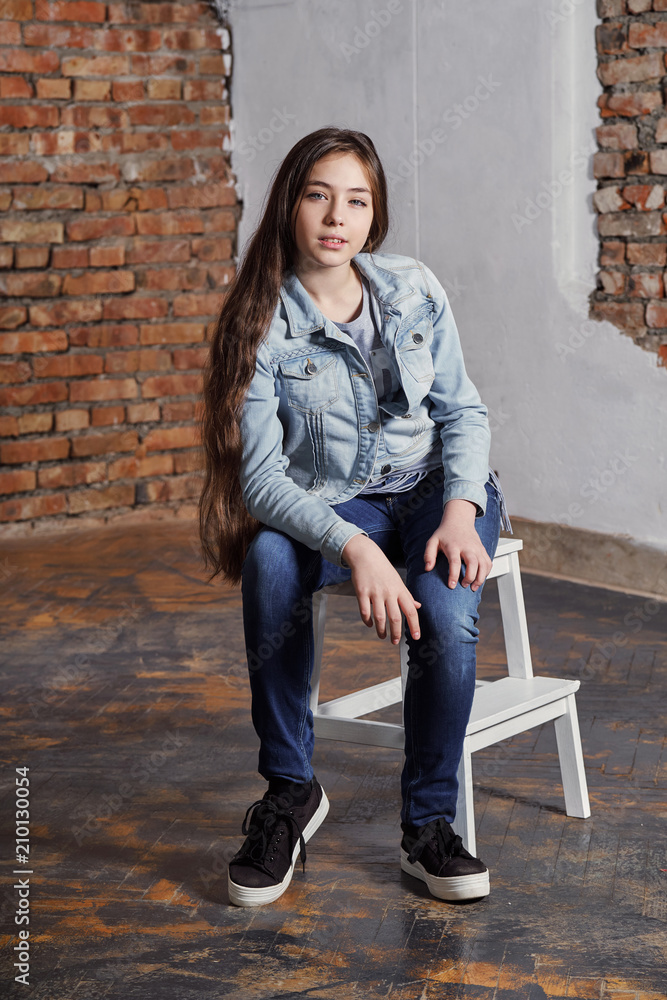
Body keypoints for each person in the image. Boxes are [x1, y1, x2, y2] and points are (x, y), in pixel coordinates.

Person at [198, 126, 511, 909]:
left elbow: (462, 410)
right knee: (269, 561)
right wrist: (355, 549)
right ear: (289, 206)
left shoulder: (411, 287)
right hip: (337, 503)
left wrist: (461, 509)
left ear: (374, 217)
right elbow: (262, 480)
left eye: (356, 201)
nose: (336, 217)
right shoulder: (261, 323)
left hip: (437, 488)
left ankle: (428, 826)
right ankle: (289, 794)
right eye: (317, 195)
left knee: (443, 612)